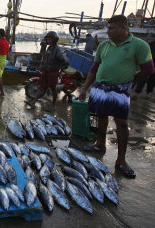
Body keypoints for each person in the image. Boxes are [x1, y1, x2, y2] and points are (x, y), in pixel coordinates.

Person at [79, 15, 154, 178]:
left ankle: (121, 160)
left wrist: (131, 80)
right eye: (108, 27)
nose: (108, 30)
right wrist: (85, 88)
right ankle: (99, 144)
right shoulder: (104, 45)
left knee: (121, 123)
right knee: (98, 116)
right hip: (99, 86)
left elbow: (149, 69)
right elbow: (94, 67)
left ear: (123, 27)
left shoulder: (139, 45)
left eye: (112, 28)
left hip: (120, 89)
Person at [25, 31, 69, 109]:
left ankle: (54, 105)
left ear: (54, 39)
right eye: (47, 39)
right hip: (46, 71)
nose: (48, 41)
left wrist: (60, 71)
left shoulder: (58, 50)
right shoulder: (49, 47)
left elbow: (65, 61)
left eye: (50, 39)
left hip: (53, 73)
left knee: (53, 89)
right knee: (41, 87)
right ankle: (33, 102)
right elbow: (44, 57)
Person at [131, 34, 155, 99]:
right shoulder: (151, 44)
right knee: (142, 78)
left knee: (152, 79)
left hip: (150, 63)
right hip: (148, 62)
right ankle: (137, 93)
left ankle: (148, 93)